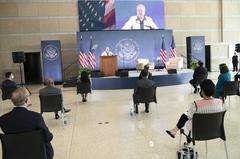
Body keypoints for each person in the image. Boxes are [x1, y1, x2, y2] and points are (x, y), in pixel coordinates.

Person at [0, 87, 54, 159]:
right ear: (26, 100)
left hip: (14, 155)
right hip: (37, 154)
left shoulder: (3, 119)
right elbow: (48, 137)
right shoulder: (36, 117)